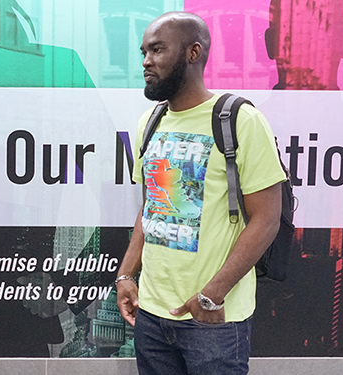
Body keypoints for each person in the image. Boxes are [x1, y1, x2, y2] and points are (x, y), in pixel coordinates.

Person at [116, 12, 285, 375]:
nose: (146, 61)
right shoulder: (150, 123)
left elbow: (267, 218)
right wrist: (127, 274)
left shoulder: (239, 119)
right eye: (144, 51)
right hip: (152, 316)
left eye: (158, 50)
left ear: (193, 53)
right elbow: (151, 208)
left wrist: (213, 293)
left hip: (213, 320)